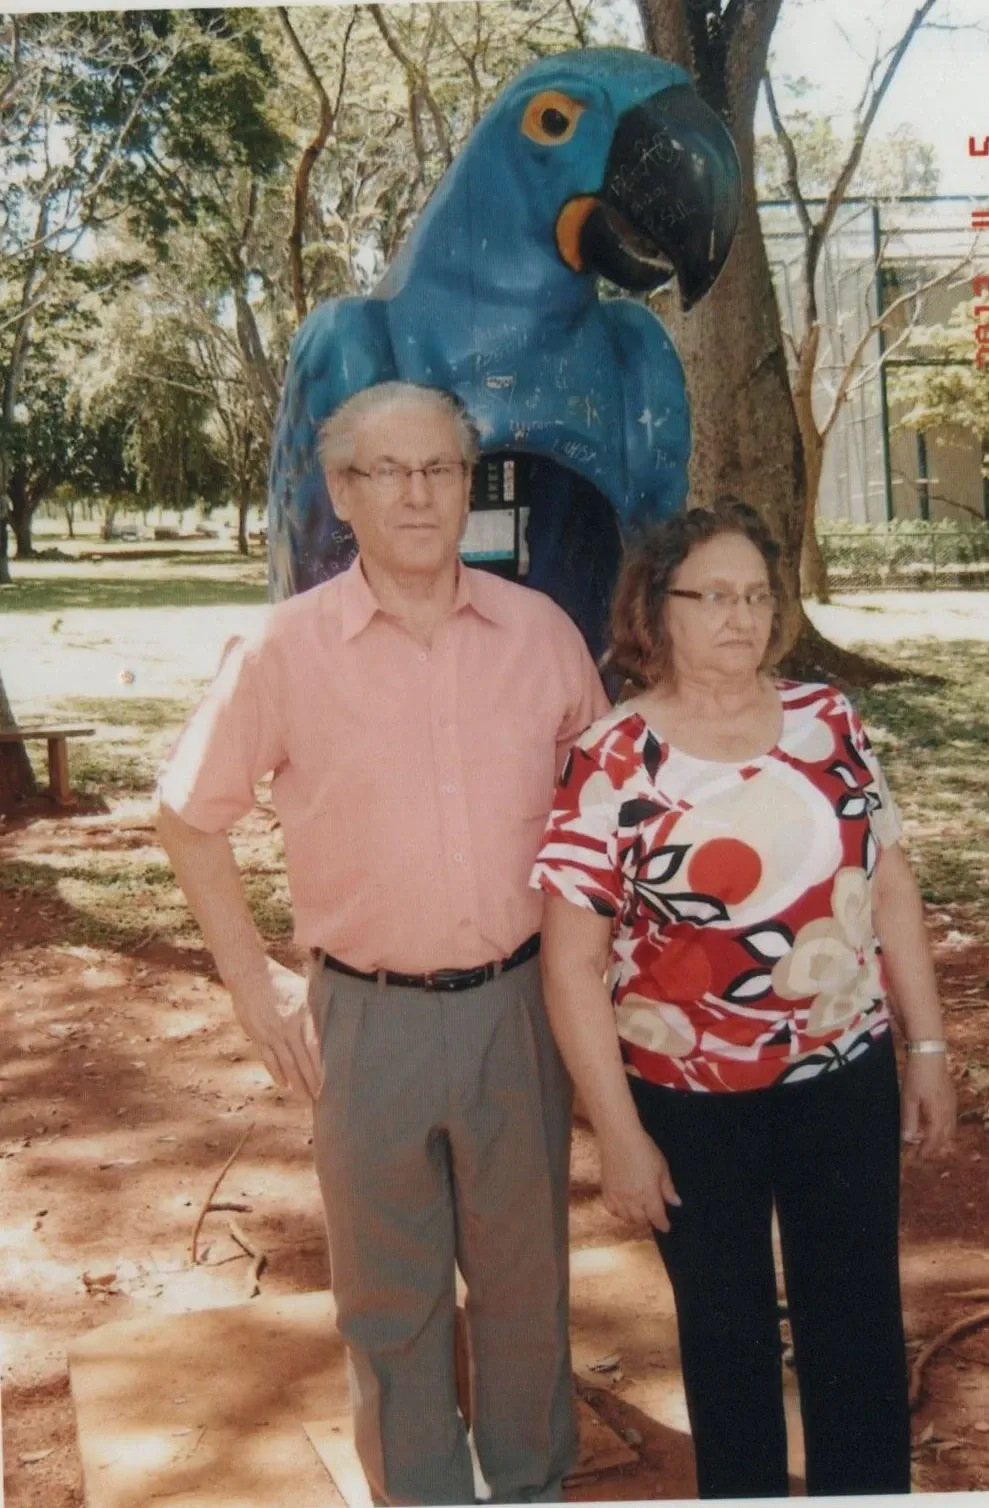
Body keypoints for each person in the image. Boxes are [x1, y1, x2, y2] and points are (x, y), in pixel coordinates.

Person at [155, 381, 609, 1506]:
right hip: (362, 1017)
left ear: (468, 488)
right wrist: (251, 980)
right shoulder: (280, 650)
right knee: (389, 1297)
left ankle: (528, 1484)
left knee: (523, 1280)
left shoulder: (541, 635)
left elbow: (605, 820)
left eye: (440, 470)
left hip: (519, 1005)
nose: (416, 492)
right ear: (343, 493)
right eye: (387, 471)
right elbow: (187, 813)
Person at [530, 496, 955, 1499]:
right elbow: (568, 965)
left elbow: (887, 884)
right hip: (688, 1101)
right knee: (725, 1339)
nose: (740, 615)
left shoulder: (826, 719)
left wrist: (925, 1047)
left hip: (839, 1071)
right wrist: (620, 1133)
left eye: (757, 595)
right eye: (711, 594)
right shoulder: (610, 759)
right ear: (655, 608)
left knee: (851, 1321)